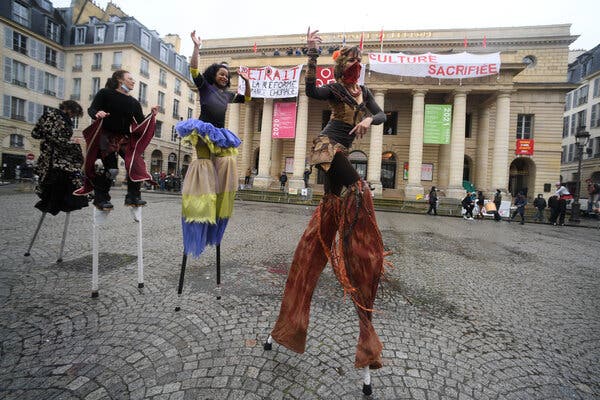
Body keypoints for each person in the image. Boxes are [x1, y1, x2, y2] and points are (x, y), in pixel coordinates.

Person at [269, 28, 387, 371]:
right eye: (352, 62)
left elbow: (380, 116)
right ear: (343, 67)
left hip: (340, 151)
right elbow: (309, 90)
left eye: (358, 63)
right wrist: (311, 54)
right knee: (361, 192)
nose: (356, 67)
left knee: (333, 210)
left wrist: (367, 117)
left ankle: (342, 267)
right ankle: (362, 251)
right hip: (326, 147)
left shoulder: (362, 92)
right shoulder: (335, 88)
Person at [178, 30, 251, 257]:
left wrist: (246, 82)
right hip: (203, 131)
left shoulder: (227, 95)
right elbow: (193, 70)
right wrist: (197, 48)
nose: (224, 76)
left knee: (227, 162)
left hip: (219, 134)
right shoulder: (205, 87)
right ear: (214, 75)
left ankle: (218, 200)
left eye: (226, 75)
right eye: (221, 73)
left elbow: (247, 99)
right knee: (203, 165)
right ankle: (200, 203)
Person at [77, 70, 158, 209]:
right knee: (112, 169)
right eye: (130, 78)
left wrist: (152, 116)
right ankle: (100, 198)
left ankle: (133, 197)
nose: (133, 81)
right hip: (106, 136)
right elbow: (92, 109)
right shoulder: (105, 93)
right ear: (120, 80)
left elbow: (140, 123)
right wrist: (97, 113)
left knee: (135, 163)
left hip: (124, 139)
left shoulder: (134, 102)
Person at [30, 100, 88, 215]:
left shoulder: (62, 119)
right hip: (54, 155)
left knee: (66, 176)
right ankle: (55, 202)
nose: (72, 117)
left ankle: (57, 202)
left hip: (58, 154)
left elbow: (38, 133)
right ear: (67, 108)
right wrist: (70, 143)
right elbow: (39, 134)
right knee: (62, 176)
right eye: (73, 114)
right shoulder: (53, 116)